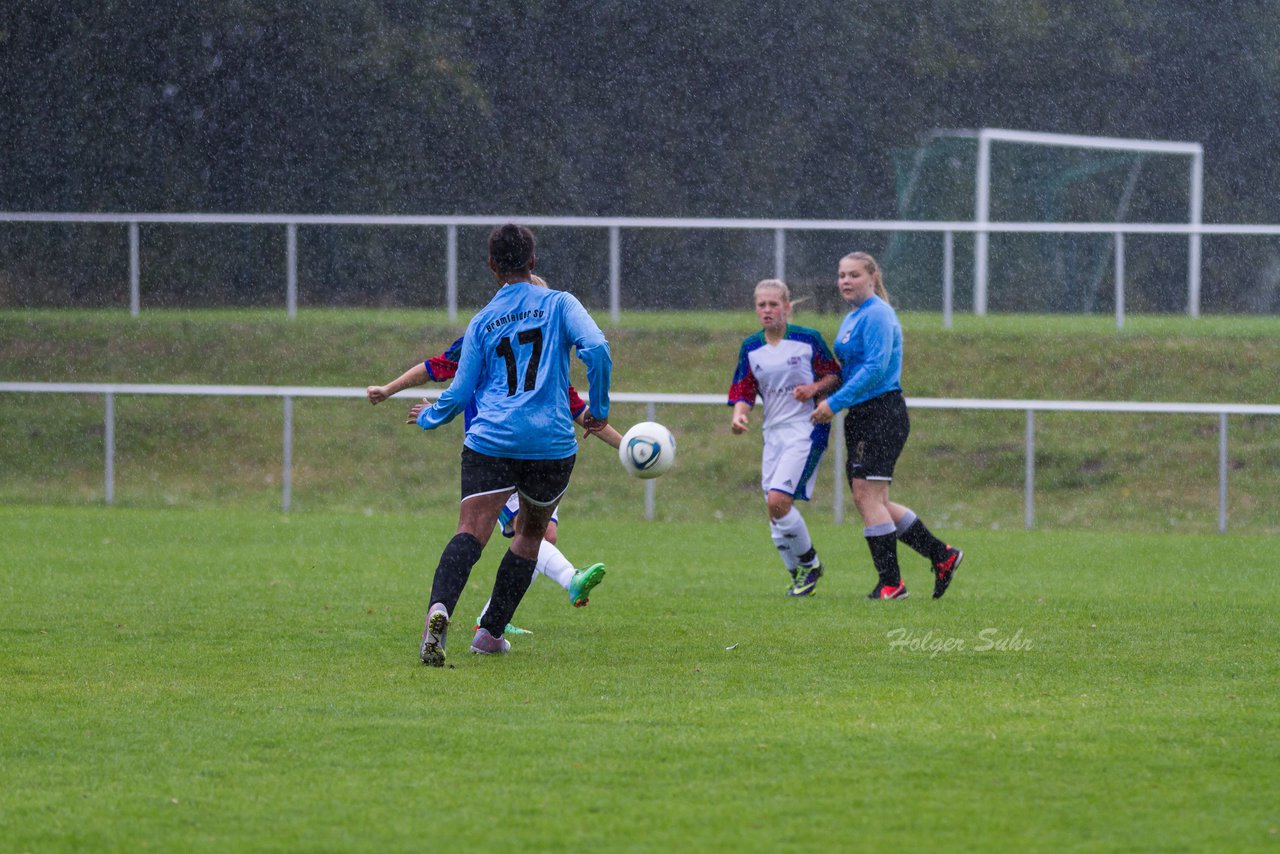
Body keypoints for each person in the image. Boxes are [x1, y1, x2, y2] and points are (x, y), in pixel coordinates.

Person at [404, 224, 612, 665]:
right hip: (550, 444)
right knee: (530, 536)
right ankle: (490, 633)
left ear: (493, 266)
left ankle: (438, 614)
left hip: (492, 441)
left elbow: (460, 393)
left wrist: (428, 417)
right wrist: (602, 405)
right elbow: (596, 347)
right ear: (533, 261)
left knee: (470, 532)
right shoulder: (560, 304)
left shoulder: (483, 321)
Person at [367, 284, 622, 635]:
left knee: (529, 534)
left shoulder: (499, 335)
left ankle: (483, 617)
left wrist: (627, 447)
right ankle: (566, 581)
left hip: (495, 450)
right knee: (530, 535)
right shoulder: (511, 330)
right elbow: (437, 367)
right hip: (522, 451)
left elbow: (580, 412)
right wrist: (389, 389)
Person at [811, 252, 963, 600]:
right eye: (841, 275)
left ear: (872, 278)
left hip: (880, 412)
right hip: (864, 415)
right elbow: (850, 370)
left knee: (868, 497)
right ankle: (942, 555)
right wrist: (819, 389)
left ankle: (892, 584)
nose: (845, 281)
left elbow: (875, 369)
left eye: (853, 275)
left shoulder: (878, 313)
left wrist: (833, 404)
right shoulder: (854, 316)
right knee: (873, 499)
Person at [728, 279, 841, 596]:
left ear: (787, 307)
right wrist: (739, 414)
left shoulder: (807, 340)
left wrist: (813, 390)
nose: (767, 310)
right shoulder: (752, 347)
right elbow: (744, 389)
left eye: (773, 304)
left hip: (806, 430)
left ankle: (811, 565)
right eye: (761, 305)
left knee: (779, 501)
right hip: (773, 433)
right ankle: (798, 576)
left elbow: (833, 374)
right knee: (772, 508)